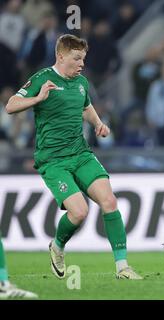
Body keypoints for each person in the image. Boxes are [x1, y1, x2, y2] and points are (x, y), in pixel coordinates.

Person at [5, 34, 142, 280]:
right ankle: (57, 246)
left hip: (80, 154)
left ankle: (123, 267)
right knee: (79, 212)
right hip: (53, 160)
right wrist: (37, 99)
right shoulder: (42, 78)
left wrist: (99, 123)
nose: (81, 64)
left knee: (109, 202)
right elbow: (11, 105)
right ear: (60, 56)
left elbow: (85, 106)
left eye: (83, 59)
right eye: (76, 58)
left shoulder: (81, 83)